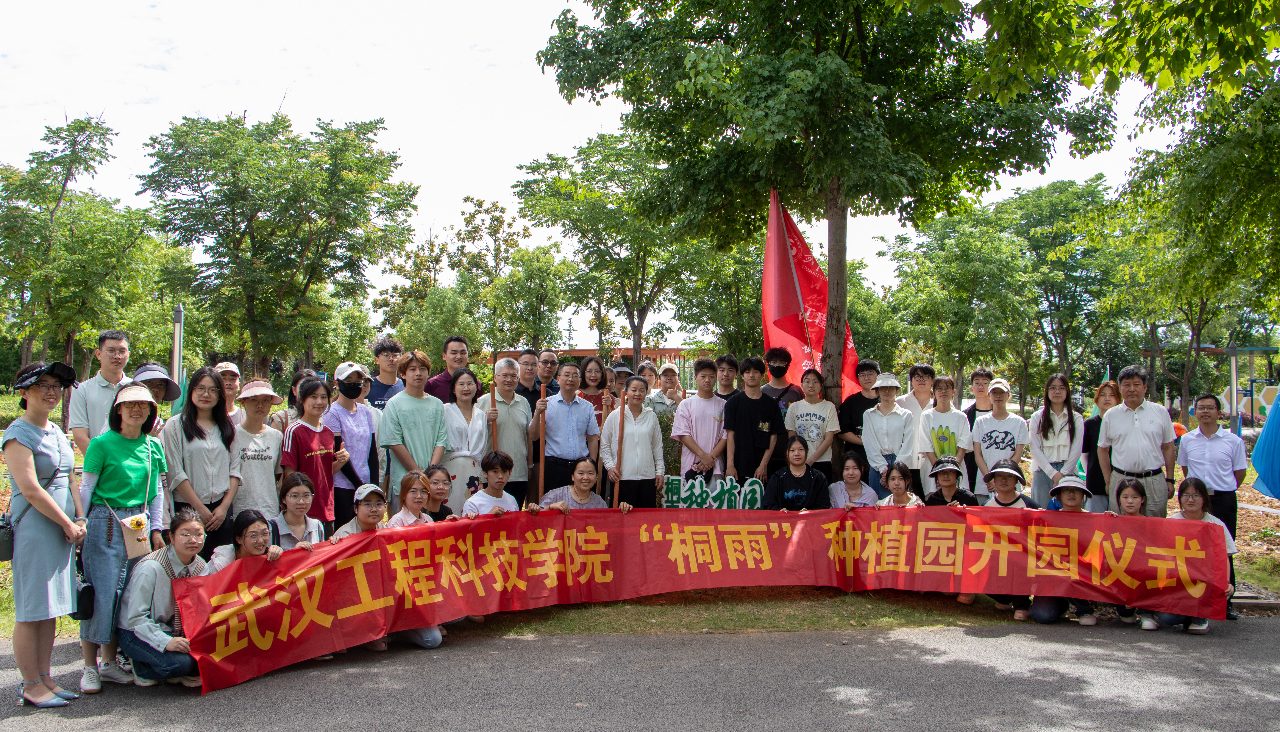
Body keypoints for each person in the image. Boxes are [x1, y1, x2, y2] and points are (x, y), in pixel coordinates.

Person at [77, 383, 169, 693]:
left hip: (138, 524)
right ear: (118, 409)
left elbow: (156, 491)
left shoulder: (152, 446)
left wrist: (157, 528)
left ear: (151, 411)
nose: (136, 410)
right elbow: (87, 488)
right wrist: (80, 525)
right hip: (105, 519)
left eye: (143, 405)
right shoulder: (101, 444)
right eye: (129, 405)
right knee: (102, 593)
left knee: (128, 593)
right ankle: (89, 667)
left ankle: (109, 663)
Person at [6, 362, 84, 708]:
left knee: (51, 606)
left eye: (56, 386)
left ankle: (46, 676)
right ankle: (30, 682)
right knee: (30, 608)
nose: (51, 392)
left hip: (63, 528)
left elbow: (69, 477)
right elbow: (31, 489)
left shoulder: (55, 430)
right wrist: (66, 524)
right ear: (24, 393)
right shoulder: (17, 434)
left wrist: (80, 518)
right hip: (36, 529)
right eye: (42, 386)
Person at [116, 507, 206, 688]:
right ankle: (140, 666)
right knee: (181, 664)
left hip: (175, 630)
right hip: (136, 632)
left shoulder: (201, 567)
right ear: (171, 538)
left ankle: (172, 667)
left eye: (198, 534)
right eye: (185, 534)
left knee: (206, 658)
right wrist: (166, 642)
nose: (193, 540)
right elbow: (136, 618)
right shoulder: (151, 567)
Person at [1177, 393, 1247, 618]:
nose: (1205, 412)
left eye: (1210, 408)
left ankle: (1225, 602)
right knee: (1193, 549)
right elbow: (1186, 470)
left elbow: (1239, 473)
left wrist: (1222, 488)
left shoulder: (1233, 441)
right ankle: (1193, 598)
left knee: (1224, 549)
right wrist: (1196, 493)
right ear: (1195, 412)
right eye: (1201, 408)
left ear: (1219, 412)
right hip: (1195, 499)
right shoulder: (1187, 440)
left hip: (1224, 498)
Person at [162, 367, 241, 559]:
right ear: (191, 391)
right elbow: (176, 472)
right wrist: (200, 509)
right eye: (200, 388)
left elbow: (235, 470)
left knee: (221, 568)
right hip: (189, 511)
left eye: (213, 390)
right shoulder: (175, 426)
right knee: (191, 566)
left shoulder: (227, 427)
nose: (206, 394)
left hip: (222, 511)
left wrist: (223, 508)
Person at [1147, 478, 1236, 635]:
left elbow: (1224, 557)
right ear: (1180, 498)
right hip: (1177, 582)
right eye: (1186, 495)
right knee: (1167, 619)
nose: (1190, 499)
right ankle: (1191, 616)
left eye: (1196, 495)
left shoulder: (1215, 525)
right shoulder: (1172, 522)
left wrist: (1227, 582)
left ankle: (1199, 617)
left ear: (1204, 498)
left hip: (1202, 583)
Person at [1098, 365, 1176, 517]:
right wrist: (1108, 480)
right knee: (1121, 530)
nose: (1131, 389)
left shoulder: (1159, 412)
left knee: (1155, 528)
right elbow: (1102, 449)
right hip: (1121, 479)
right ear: (1120, 388)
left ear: (1145, 387)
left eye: (1136, 384)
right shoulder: (1111, 415)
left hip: (1153, 479)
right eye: (1126, 385)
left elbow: (1168, 447)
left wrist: (1170, 479)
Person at [379, 350, 449, 512]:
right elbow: (394, 442)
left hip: (432, 483)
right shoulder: (394, 404)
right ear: (403, 373)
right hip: (405, 483)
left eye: (422, 369)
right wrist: (419, 476)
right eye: (412, 369)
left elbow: (441, 440)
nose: (418, 373)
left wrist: (431, 474)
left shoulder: (437, 404)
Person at [1028, 476, 1098, 626]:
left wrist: (1113, 521)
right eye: (1066, 491)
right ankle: (1061, 604)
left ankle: (1084, 608)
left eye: (1076, 491)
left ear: (1083, 495)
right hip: (1052, 578)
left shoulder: (1094, 520)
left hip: (1081, 577)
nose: (1071, 494)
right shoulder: (1048, 519)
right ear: (1059, 496)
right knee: (1042, 615)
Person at [280, 377, 345, 535]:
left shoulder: (328, 432)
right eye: (314, 397)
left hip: (326, 508)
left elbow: (324, 471)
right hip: (303, 510)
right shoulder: (294, 431)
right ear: (302, 400)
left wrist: (341, 461)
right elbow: (289, 475)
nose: (319, 402)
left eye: (323, 397)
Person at [323, 362, 380, 529]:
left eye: (358, 380)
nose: (355, 384)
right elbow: (338, 451)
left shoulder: (365, 412)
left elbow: (372, 452)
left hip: (366, 483)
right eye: (349, 380)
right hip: (344, 486)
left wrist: (373, 486)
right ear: (337, 383)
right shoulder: (331, 414)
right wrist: (359, 486)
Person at [478, 358, 536, 507]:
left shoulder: (523, 402)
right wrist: (485, 419)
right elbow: (473, 435)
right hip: (492, 472)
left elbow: (528, 436)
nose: (509, 379)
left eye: (513, 376)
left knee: (514, 518)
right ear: (496, 377)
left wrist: (529, 465)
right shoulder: (483, 402)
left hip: (518, 472)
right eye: (504, 375)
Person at [982, 459, 1036, 620]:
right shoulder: (987, 506)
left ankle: (1021, 604)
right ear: (993, 480)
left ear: (1017, 481)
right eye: (999, 477)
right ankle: (1004, 599)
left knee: (1019, 565)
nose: (1004, 481)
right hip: (995, 556)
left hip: (1023, 559)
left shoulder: (1029, 505)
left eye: (1009, 477)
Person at [602, 375, 665, 508]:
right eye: (634, 389)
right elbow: (605, 444)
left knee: (645, 522)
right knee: (623, 521)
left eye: (642, 390)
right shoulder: (615, 415)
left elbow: (657, 447)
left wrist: (659, 471)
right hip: (622, 477)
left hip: (647, 478)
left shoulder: (651, 416)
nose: (637, 393)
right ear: (626, 391)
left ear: (646, 392)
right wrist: (610, 466)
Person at [539, 362, 601, 495]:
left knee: (581, 506)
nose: (570, 379)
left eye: (575, 376)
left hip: (580, 466)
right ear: (558, 378)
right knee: (554, 506)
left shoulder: (587, 407)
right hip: (554, 465)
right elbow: (534, 434)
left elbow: (592, 438)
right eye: (566, 375)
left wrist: (592, 464)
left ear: (580, 380)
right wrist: (537, 414)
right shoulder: (546, 404)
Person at [69, 329, 132, 454]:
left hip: (132, 462)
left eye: (122, 351)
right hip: (99, 465)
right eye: (111, 350)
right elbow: (80, 436)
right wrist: (103, 463)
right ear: (98, 354)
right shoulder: (82, 390)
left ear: (128, 354)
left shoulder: (136, 388)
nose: (117, 356)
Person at [724, 357, 785, 486]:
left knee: (762, 503)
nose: (751, 375)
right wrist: (730, 465)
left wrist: (763, 465)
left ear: (762, 375)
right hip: (737, 466)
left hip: (763, 468)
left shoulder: (771, 405)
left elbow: (773, 437)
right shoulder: (732, 403)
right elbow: (730, 435)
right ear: (742, 376)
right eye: (747, 372)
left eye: (756, 372)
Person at [231, 380, 284, 520]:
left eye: (265, 400)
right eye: (253, 400)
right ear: (243, 402)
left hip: (269, 510)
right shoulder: (231, 435)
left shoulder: (276, 437)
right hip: (239, 510)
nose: (260, 405)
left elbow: (278, 475)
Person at [971, 378, 1029, 503]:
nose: (998, 396)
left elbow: (1018, 454)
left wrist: (1001, 477)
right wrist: (990, 478)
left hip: (1010, 483)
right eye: (994, 392)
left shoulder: (1019, 423)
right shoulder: (980, 422)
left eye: (1001, 392)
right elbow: (978, 454)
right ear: (989, 395)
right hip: (984, 484)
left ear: (1008, 395)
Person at [671, 358, 727, 484]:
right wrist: (703, 456)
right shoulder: (686, 404)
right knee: (691, 503)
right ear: (696, 377)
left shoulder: (723, 405)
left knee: (715, 502)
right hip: (691, 465)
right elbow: (683, 434)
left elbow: (726, 436)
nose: (707, 380)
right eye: (703, 376)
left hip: (716, 466)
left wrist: (710, 458)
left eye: (711, 376)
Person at [861, 373, 914, 498]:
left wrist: (896, 468)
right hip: (876, 463)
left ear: (896, 390)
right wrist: (882, 468)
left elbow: (908, 443)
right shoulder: (868, 414)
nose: (887, 391)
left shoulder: (906, 415)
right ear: (877, 391)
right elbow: (869, 442)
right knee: (877, 504)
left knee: (900, 502)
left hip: (900, 462)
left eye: (891, 388)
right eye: (883, 388)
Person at [918, 375, 971, 496]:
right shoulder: (926, 416)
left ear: (953, 392)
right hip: (932, 470)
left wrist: (953, 470)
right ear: (933, 392)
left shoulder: (961, 417)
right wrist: (939, 471)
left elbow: (963, 445)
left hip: (957, 470)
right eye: (939, 388)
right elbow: (926, 445)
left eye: (947, 388)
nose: (943, 391)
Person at [443, 368, 489, 507]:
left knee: (472, 511)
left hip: (474, 470)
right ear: (453, 388)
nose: (466, 388)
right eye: (461, 384)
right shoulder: (444, 410)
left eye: (470, 383)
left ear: (476, 386)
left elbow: (484, 446)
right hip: (450, 468)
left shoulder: (481, 415)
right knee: (451, 510)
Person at [785, 368, 840, 482]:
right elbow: (791, 436)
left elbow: (829, 439)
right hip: (798, 461)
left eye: (815, 381)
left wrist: (810, 460)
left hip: (822, 461)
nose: (811, 385)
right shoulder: (794, 407)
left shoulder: (829, 407)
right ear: (801, 385)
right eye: (807, 381)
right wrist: (800, 459)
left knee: (821, 497)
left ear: (820, 386)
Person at [1107, 478, 1148, 624]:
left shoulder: (1152, 524)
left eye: (1135, 497)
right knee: (1126, 617)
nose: (1130, 501)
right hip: (1120, 575)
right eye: (1125, 497)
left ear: (1142, 500)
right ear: (1118, 499)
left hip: (1144, 577)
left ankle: (1147, 612)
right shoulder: (1112, 521)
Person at [532, 457, 635, 512]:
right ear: (572, 476)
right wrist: (551, 507)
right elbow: (536, 515)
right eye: (580, 473)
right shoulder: (556, 495)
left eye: (590, 473)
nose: (585, 477)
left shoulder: (599, 503)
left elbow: (607, 524)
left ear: (596, 478)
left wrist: (623, 510)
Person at [203, 509, 283, 575]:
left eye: (265, 533)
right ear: (238, 539)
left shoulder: (270, 554)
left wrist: (280, 555)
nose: (260, 540)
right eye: (253, 535)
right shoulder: (221, 563)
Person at [1081, 380, 1120, 513]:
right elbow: (1084, 455)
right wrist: (1089, 474)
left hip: (1120, 480)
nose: (1107, 398)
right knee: (1096, 522)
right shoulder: (1089, 424)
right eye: (1103, 395)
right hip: (1095, 481)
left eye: (1112, 395)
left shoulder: (1123, 423)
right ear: (1097, 400)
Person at [896, 363, 935, 493]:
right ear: (911, 380)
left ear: (932, 380)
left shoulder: (939, 403)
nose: (921, 380)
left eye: (926, 376)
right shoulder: (900, 403)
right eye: (917, 377)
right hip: (906, 461)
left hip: (931, 462)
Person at [763, 436, 831, 511]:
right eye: (792, 450)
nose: (797, 453)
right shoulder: (778, 477)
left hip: (810, 521)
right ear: (787, 453)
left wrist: (810, 512)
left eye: (801, 450)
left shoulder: (818, 477)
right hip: (784, 521)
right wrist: (779, 511)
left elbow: (824, 506)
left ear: (806, 452)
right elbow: (768, 504)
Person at [118, 363, 180, 437]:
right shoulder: (122, 417)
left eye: (160, 385)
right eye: (149, 383)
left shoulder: (160, 424)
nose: (155, 389)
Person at [837, 359, 881, 464]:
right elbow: (842, 432)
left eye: (870, 373)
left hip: (883, 457)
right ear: (858, 378)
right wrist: (866, 442)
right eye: (862, 375)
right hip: (857, 458)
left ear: (878, 376)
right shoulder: (850, 402)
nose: (866, 378)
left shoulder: (886, 400)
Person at [269, 472, 325, 551]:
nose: (301, 502)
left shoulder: (317, 526)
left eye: (306, 495)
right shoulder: (271, 528)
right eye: (295, 496)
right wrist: (294, 552)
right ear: (283, 499)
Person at [961, 367, 994, 490]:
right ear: (971, 388)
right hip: (972, 470)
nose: (981, 386)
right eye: (977, 383)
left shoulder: (999, 414)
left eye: (985, 383)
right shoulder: (964, 416)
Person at [463, 451, 521, 516]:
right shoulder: (473, 503)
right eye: (495, 471)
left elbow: (517, 525)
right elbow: (467, 526)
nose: (500, 476)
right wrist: (489, 516)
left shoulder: (512, 500)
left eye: (504, 471)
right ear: (485, 473)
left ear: (510, 473)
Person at [268, 369, 317, 433]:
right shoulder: (281, 419)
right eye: (303, 388)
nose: (307, 393)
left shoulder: (322, 419)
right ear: (294, 390)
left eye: (312, 389)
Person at [761, 347, 804, 419]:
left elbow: (803, 417)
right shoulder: (761, 391)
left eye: (781, 362)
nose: (777, 365)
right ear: (768, 365)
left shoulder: (797, 391)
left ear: (788, 365)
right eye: (774, 362)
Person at [425, 335, 471, 402]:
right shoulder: (432, 385)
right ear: (444, 356)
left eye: (463, 353)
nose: (459, 356)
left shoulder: (476, 385)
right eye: (454, 353)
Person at [368, 336, 405, 410]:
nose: (391, 359)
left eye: (395, 355)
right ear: (377, 360)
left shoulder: (406, 385)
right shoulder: (368, 386)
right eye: (386, 355)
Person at [579, 356, 615, 426]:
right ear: (583, 373)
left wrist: (609, 407)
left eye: (597, 371)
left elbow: (613, 424)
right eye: (589, 371)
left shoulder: (608, 397)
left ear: (602, 374)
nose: (593, 375)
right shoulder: (576, 396)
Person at [213, 361, 245, 427]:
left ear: (239, 384)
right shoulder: (205, 415)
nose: (228, 383)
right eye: (223, 379)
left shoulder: (247, 417)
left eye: (232, 379)